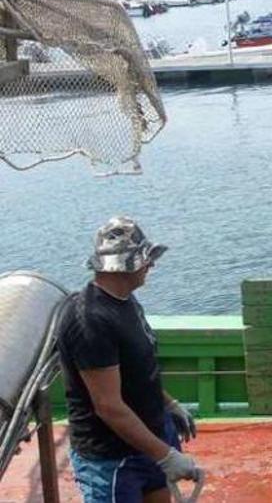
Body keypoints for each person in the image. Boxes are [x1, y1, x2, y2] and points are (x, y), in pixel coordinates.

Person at [57, 216, 202, 503]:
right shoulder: (91, 320)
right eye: (145, 259)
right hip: (112, 458)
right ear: (125, 265)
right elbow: (108, 406)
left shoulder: (127, 301)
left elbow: (137, 372)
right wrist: (166, 456)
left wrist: (168, 404)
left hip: (151, 440)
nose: (151, 265)